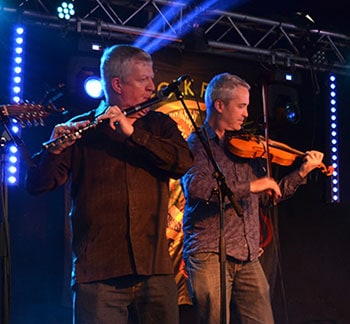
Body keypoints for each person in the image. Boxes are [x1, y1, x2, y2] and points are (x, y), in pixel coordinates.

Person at [25, 44, 194, 324]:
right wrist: (53, 152)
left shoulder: (159, 125)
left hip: (154, 269)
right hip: (98, 273)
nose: (152, 87)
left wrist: (133, 134)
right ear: (117, 83)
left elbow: (183, 163)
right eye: (143, 80)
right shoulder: (81, 128)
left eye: (152, 78)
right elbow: (37, 185)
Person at [180, 72, 324, 324]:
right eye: (241, 106)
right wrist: (251, 185)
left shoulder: (247, 146)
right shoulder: (196, 144)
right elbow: (198, 189)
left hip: (247, 255)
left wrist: (301, 172)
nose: (246, 114)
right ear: (220, 105)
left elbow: (269, 197)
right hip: (209, 252)